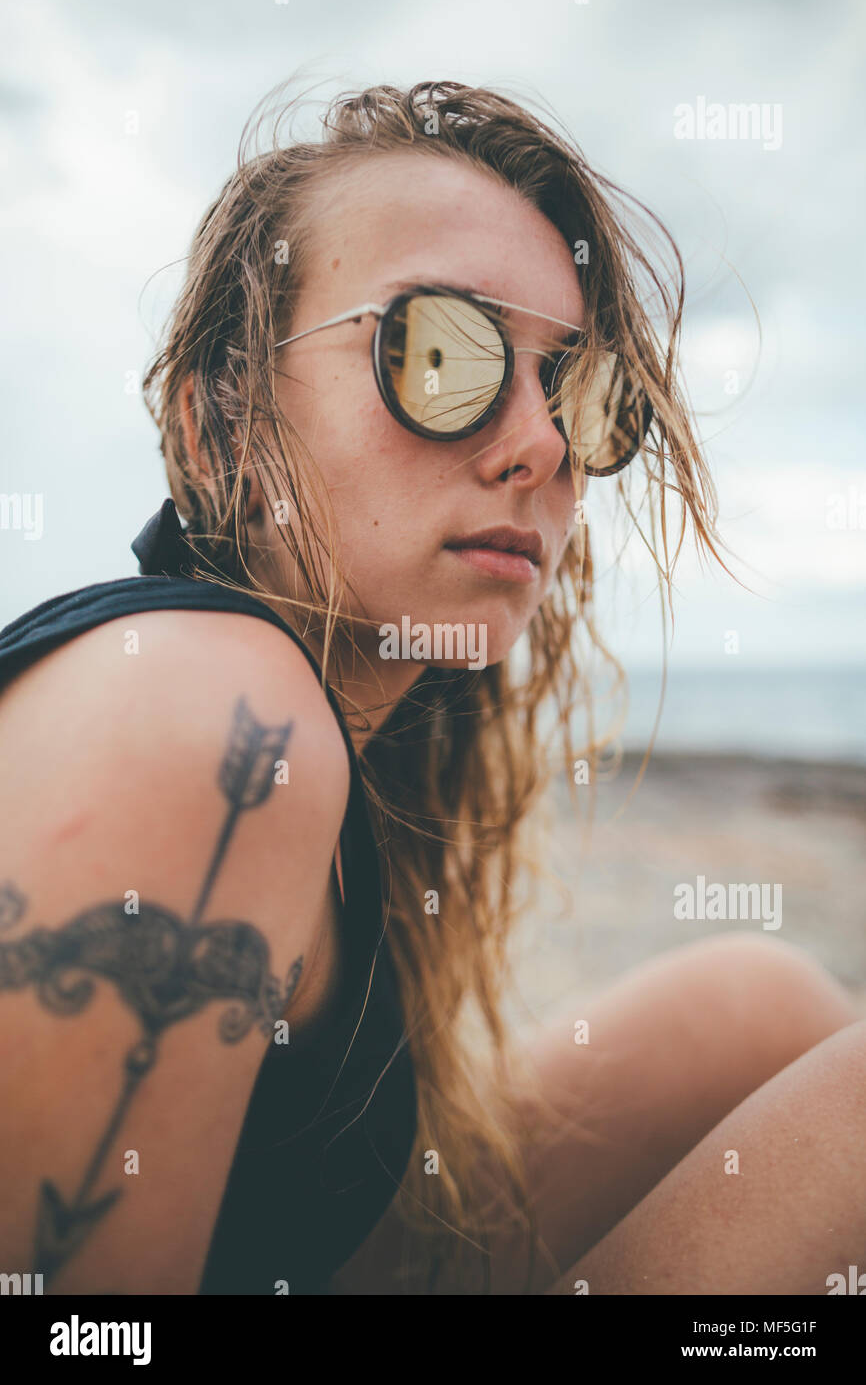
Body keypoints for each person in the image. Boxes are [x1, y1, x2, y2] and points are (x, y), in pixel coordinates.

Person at [0, 79, 862, 1297]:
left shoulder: (352, 742)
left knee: (756, 1000)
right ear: (220, 431)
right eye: (436, 350)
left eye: (576, 390)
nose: (543, 445)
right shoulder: (212, 707)